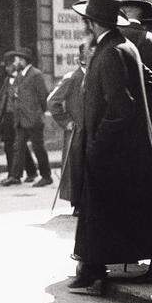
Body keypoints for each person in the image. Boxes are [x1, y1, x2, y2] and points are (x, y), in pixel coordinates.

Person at [68, 0, 152, 295]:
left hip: (114, 151)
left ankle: (95, 272)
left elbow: (120, 107)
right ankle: (94, 269)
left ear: (93, 24)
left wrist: (99, 143)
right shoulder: (123, 45)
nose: (83, 27)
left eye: (85, 22)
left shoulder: (110, 52)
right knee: (126, 208)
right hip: (129, 148)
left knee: (104, 210)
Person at [47, 38, 94, 216]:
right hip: (76, 132)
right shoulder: (72, 78)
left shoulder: (94, 75)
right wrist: (66, 121)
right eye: (90, 54)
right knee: (77, 166)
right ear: (82, 58)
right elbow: (52, 102)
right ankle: (78, 204)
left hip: (92, 129)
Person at [0, 47, 52, 187]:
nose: (17, 61)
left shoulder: (36, 74)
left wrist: (39, 113)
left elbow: (43, 96)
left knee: (38, 148)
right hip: (20, 119)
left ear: (25, 60)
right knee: (18, 147)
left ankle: (46, 176)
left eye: (20, 59)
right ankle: (15, 176)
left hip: (33, 118)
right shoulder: (20, 75)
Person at [0, 51, 37, 184]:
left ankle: (15, 175)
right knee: (11, 144)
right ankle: (28, 172)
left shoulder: (24, 78)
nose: (7, 68)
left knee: (18, 144)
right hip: (8, 116)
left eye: (9, 65)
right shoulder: (7, 80)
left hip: (19, 116)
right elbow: (2, 100)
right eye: (6, 65)